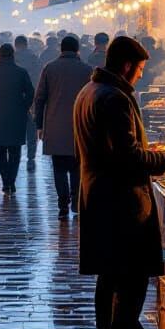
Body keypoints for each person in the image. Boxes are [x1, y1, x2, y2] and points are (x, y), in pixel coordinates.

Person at [74, 36, 165, 329]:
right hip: (120, 202)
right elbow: (127, 156)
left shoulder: (89, 92)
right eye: (138, 70)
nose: (139, 76)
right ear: (126, 66)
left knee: (109, 276)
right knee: (131, 276)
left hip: (99, 196)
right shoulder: (114, 99)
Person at [34, 36, 92, 220]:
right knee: (77, 165)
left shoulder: (50, 68)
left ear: (61, 49)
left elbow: (40, 98)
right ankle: (76, 200)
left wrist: (39, 125)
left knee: (58, 168)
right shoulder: (87, 70)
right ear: (78, 50)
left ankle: (62, 205)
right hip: (80, 126)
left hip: (55, 125)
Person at [0, 43, 35, 195]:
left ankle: (6, 182)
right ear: (13, 55)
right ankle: (11, 180)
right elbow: (30, 92)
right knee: (14, 150)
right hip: (17, 115)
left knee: (0, 150)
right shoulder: (21, 72)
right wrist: (24, 107)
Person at [13, 35, 43, 169]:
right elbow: (38, 77)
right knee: (31, 128)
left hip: (15, 97)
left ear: (16, 45)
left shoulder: (12, 58)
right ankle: (31, 156)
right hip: (31, 96)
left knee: (15, 127)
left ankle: (15, 153)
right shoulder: (34, 57)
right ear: (26, 44)